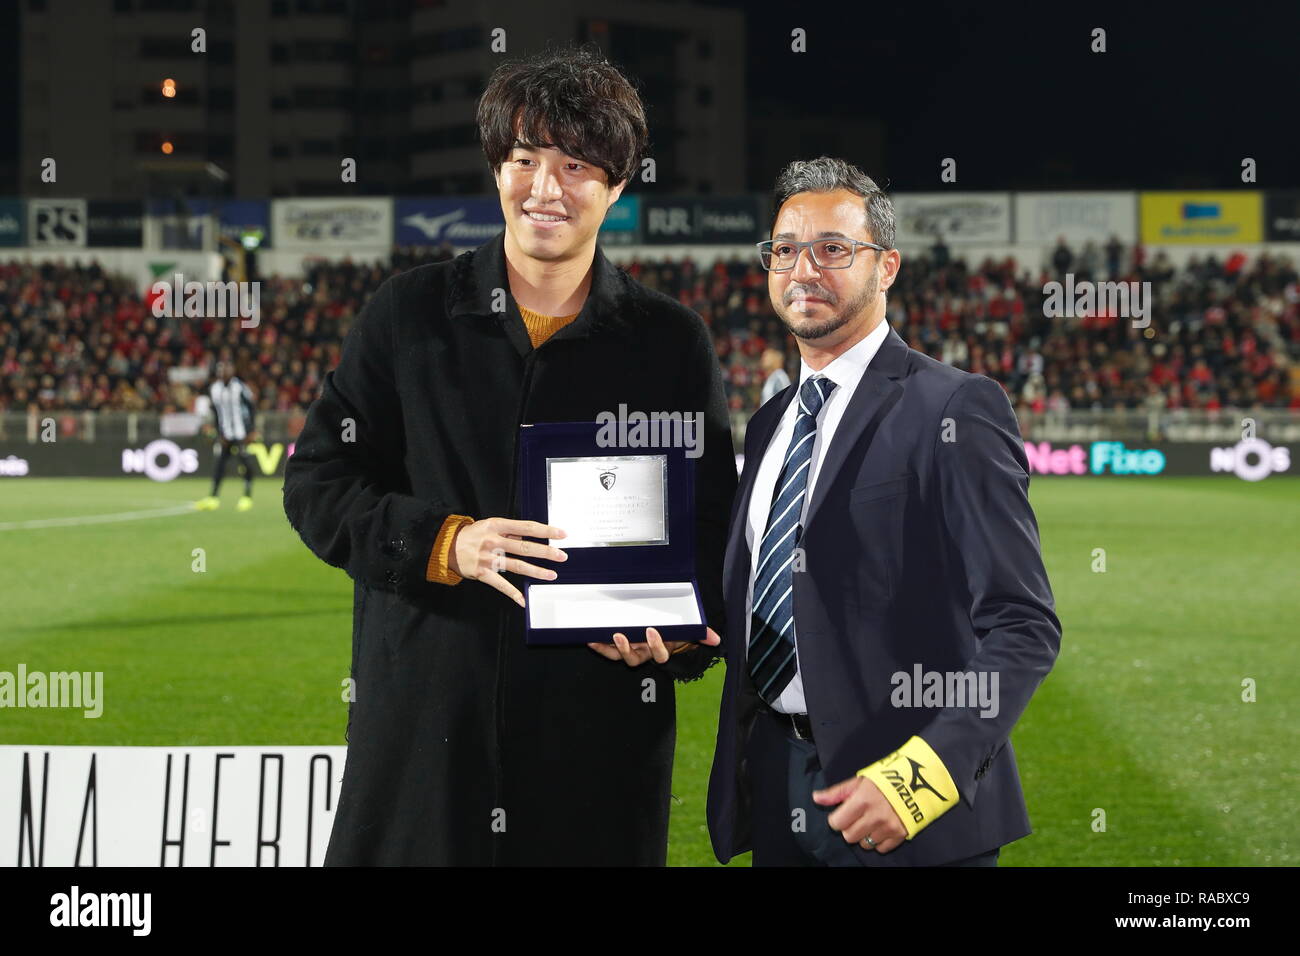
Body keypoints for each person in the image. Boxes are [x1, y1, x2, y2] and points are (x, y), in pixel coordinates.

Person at [282, 45, 736, 866]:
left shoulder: (669, 342)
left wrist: (673, 633)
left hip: (596, 739)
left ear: (619, 187)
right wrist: (445, 542)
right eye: (524, 159)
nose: (545, 188)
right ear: (497, 169)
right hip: (424, 734)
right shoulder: (409, 314)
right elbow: (318, 482)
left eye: (576, 165)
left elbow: (710, 528)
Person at [706, 157, 1061, 866]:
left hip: (906, 805)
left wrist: (920, 779)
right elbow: (757, 600)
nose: (804, 267)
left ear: (887, 266)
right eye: (785, 249)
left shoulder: (955, 407)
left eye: (833, 249)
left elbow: (1024, 625)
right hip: (777, 788)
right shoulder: (772, 419)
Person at [195, 359, 256, 512]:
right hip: (226, 434)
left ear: (232, 371)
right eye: (221, 370)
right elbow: (216, 412)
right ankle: (213, 498)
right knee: (219, 466)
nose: (224, 372)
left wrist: (251, 431)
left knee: (245, 464)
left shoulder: (240, 387)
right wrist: (219, 433)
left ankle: (247, 497)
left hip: (241, 433)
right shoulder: (214, 389)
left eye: (227, 369)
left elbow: (251, 408)